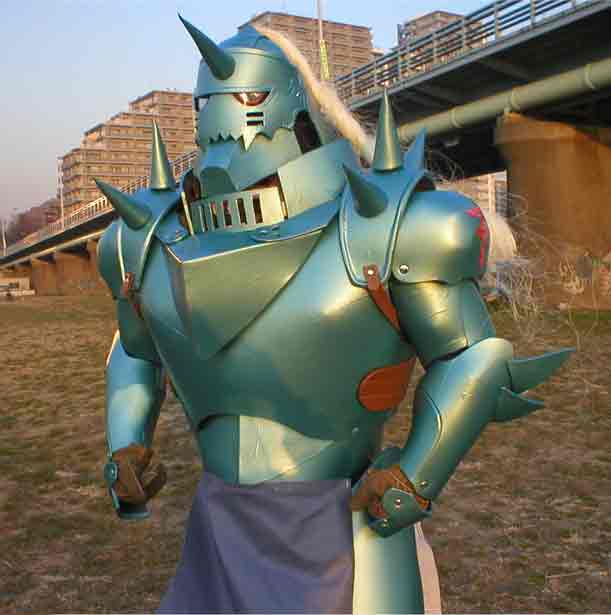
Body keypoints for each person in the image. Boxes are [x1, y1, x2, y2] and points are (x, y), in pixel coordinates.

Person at [97, 18, 572, 614]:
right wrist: (125, 443)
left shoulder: (387, 227)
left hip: (341, 525)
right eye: (207, 103)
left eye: (245, 97)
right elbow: (136, 350)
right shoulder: (144, 241)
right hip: (220, 521)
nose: (224, 122)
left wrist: (414, 475)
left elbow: (469, 356)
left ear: (286, 103)